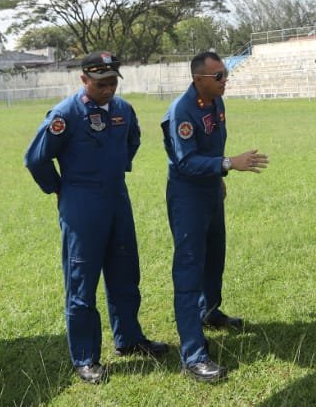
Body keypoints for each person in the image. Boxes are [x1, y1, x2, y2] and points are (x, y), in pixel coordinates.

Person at [23, 51, 170, 384]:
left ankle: (129, 338)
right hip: (81, 203)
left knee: (125, 272)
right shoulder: (65, 115)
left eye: (113, 82)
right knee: (82, 281)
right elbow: (35, 158)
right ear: (84, 80)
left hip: (117, 198)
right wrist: (59, 189)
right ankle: (86, 358)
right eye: (101, 83)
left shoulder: (123, 110)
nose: (108, 89)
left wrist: (116, 167)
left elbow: (133, 139)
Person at [162, 51, 269, 382]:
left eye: (225, 74)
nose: (225, 80)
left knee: (214, 256)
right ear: (198, 79)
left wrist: (218, 176)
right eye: (218, 76)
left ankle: (209, 312)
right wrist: (227, 164)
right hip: (188, 197)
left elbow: (211, 146)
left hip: (210, 190)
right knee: (189, 269)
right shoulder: (181, 111)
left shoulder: (216, 102)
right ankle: (193, 355)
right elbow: (185, 161)